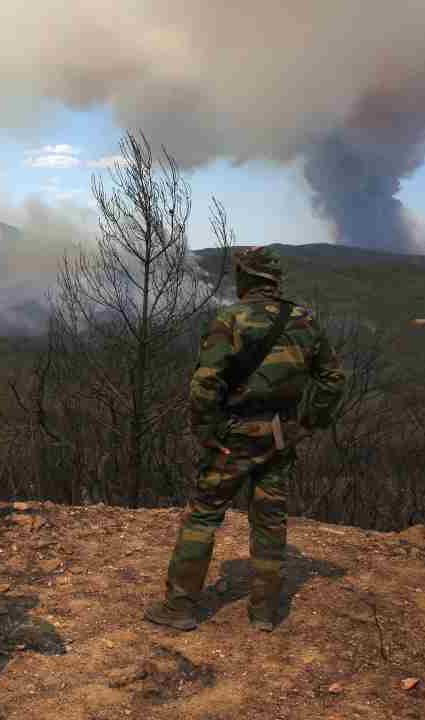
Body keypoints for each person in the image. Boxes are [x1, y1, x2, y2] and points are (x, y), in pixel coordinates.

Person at [144, 246, 345, 632]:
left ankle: (181, 607)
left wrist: (206, 431)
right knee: (270, 520)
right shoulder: (304, 320)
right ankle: (264, 613)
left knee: (203, 515)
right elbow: (333, 379)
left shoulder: (231, 319)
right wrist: (307, 422)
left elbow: (205, 382)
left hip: (233, 437)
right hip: (279, 436)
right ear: (274, 280)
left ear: (246, 279)